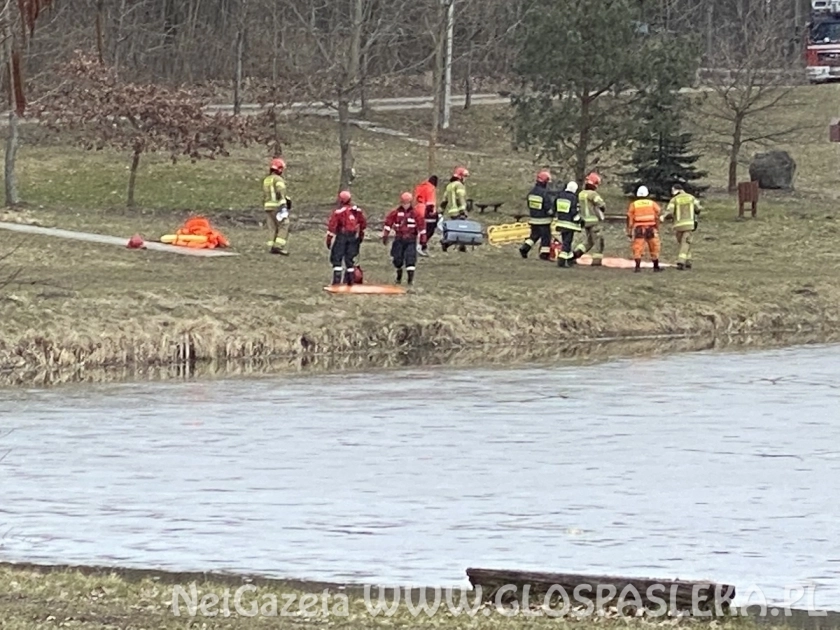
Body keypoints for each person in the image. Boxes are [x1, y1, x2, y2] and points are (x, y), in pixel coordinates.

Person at [382, 192, 427, 285]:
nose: (405, 205)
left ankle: (410, 280)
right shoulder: (395, 213)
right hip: (399, 239)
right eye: (403, 203)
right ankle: (399, 275)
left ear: (410, 202)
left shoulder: (416, 214)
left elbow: (422, 228)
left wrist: (423, 240)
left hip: (411, 239)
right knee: (397, 258)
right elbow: (388, 224)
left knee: (410, 259)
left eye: (407, 203)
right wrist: (385, 235)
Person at [326, 190, 367, 286]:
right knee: (349, 259)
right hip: (353, 237)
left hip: (342, 237)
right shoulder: (357, 210)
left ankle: (336, 281)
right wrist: (360, 236)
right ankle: (350, 281)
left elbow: (332, 227)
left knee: (337, 258)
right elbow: (363, 224)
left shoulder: (338, 212)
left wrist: (328, 240)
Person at [662, 184, 702, 270]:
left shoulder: (674, 200)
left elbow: (670, 212)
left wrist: (663, 217)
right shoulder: (691, 198)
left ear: (676, 190)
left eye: (672, 190)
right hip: (689, 225)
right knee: (686, 243)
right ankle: (684, 261)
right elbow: (698, 208)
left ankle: (684, 261)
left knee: (683, 243)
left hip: (678, 226)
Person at [519, 170, 554, 260]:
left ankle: (525, 248)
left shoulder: (532, 192)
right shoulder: (544, 193)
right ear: (545, 182)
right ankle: (544, 255)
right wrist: (553, 213)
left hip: (533, 219)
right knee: (546, 238)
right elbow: (548, 208)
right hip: (544, 220)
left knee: (534, 236)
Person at [573, 172, 607, 265]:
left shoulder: (581, 194)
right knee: (599, 242)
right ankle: (597, 261)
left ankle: (575, 254)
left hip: (585, 221)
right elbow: (602, 205)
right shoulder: (593, 194)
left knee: (589, 241)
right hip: (594, 222)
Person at [626, 185, 662, 273]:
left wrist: (629, 230)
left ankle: (637, 267)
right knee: (654, 247)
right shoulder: (652, 203)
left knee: (637, 247)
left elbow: (629, 217)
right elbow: (658, 213)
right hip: (651, 228)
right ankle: (656, 267)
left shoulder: (633, 205)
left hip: (639, 229)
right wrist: (657, 227)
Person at [262, 157, 290, 255]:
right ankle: (278, 246)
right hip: (277, 207)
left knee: (272, 227)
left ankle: (271, 246)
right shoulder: (278, 179)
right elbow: (280, 193)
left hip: (268, 207)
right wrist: (284, 205)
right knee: (284, 224)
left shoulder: (266, 180)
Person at [554, 181, 582, 268]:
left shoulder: (559, 196)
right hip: (569, 224)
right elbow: (574, 212)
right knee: (567, 242)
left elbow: (554, 207)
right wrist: (580, 220)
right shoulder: (573, 198)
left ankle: (570, 259)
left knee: (566, 241)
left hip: (560, 223)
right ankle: (561, 260)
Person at [414, 175, 439, 251]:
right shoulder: (431, 188)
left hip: (417, 209)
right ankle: (422, 245)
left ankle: (416, 245)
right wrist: (432, 213)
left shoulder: (420, 187)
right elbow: (430, 203)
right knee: (429, 230)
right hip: (426, 211)